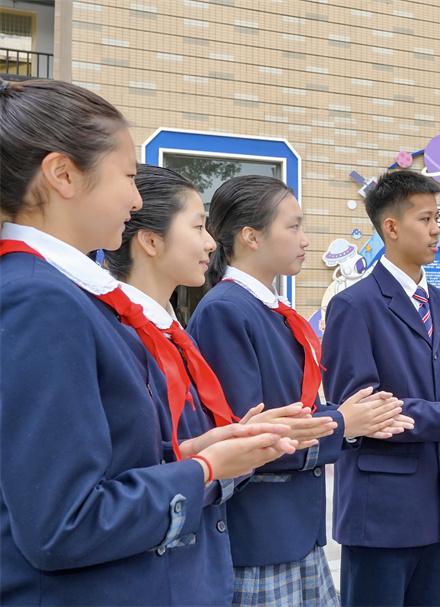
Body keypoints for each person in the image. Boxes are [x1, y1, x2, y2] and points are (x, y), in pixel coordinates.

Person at [0, 78, 293, 605]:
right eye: (129, 176)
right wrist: (203, 470)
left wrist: (191, 452)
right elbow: (64, 523)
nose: (136, 199)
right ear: (63, 175)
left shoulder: (65, 295)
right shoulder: (40, 299)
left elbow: (104, 464)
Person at [187, 174, 410, 606]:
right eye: (293, 226)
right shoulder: (225, 311)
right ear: (251, 236)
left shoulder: (266, 309)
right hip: (259, 540)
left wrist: (344, 417)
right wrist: (343, 423)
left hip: (295, 532)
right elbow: (248, 436)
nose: (305, 239)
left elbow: (295, 412)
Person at [105, 163, 322, 604]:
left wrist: (223, 445)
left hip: (206, 556)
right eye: (197, 226)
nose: (210, 242)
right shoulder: (119, 330)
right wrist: (213, 460)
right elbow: (122, 477)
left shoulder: (172, 333)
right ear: (150, 241)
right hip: (177, 562)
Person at [322, 170, 440, 607]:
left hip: (435, 506)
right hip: (380, 512)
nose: (437, 228)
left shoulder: (439, 303)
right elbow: (364, 408)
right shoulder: (353, 306)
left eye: (438, 217)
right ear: (391, 227)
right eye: (425, 219)